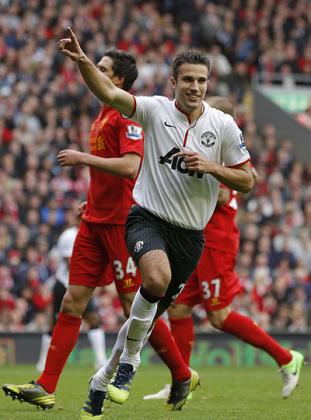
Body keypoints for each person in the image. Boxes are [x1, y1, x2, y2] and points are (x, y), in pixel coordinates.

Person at [55, 27, 254, 415]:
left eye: (201, 80)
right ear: (174, 82)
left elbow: (247, 180)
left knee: (143, 319)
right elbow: (109, 94)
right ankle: (130, 363)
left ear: (208, 83)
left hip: (190, 237)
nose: (195, 87)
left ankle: (103, 378)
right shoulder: (154, 109)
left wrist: (212, 167)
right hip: (146, 219)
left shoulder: (223, 126)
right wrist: (82, 61)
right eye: (188, 80)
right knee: (155, 281)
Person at [3, 47, 198, 417]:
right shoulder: (101, 114)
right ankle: (45, 386)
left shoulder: (128, 116)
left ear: (118, 80)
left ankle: (181, 373)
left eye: (103, 68)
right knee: (71, 302)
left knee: (133, 307)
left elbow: (129, 167)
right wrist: (89, 201)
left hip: (123, 225)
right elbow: (107, 177)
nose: (96, 72)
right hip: (93, 223)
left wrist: (82, 158)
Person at [142, 97, 304, 401]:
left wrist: (192, 172)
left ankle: (285, 358)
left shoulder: (223, 151)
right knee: (179, 308)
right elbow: (249, 177)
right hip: (197, 241)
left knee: (219, 316)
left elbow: (223, 193)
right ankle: (183, 379)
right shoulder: (220, 150)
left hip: (217, 242)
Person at [36, 206, 106, 373]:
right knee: (54, 323)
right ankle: (42, 362)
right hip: (65, 284)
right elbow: (71, 263)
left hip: (81, 284)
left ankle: (101, 361)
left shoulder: (91, 235)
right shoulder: (69, 236)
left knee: (93, 319)